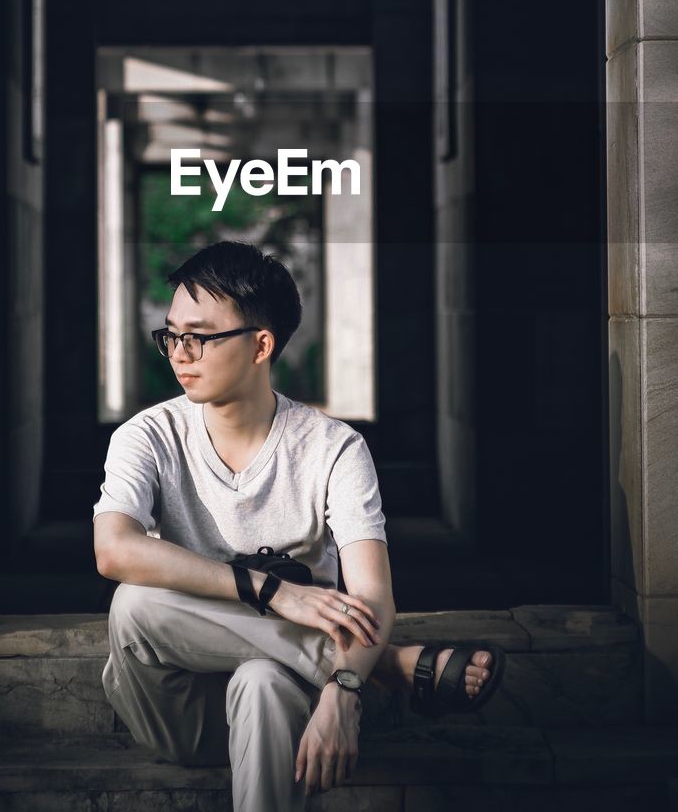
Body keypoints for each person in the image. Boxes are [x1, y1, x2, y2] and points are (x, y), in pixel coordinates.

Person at [93, 240, 500, 812]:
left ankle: (357, 671)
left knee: (260, 680)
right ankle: (391, 666)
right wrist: (278, 595)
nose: (180, 354)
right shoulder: (148, 435)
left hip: (286, 701)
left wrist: (341, 693)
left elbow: (372, 594)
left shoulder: (333, 447)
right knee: (134, 605)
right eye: (171, 335)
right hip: (176, 706)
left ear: (262, 344)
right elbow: (112, 551)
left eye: (200, 337)